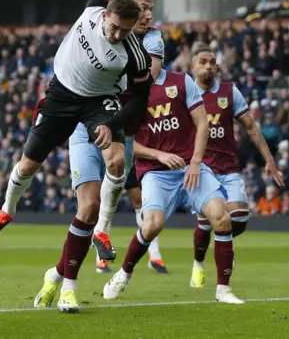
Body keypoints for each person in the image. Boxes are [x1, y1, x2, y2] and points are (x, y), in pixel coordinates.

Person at [0, 0, 152, 241]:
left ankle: (102, 230)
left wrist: (114, 123)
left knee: (117, 161)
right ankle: (6, 210)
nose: (118, 34)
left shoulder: (136, 55)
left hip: (98, 102)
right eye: (114, 27)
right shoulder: (96, 0)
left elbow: (140, 99)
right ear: (105, 15)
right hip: (61, 93)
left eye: (125, 29)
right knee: (28, 164)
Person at [102, 68, 243, 304]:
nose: (150, 64)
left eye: (155, 57)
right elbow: (125, 143)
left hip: (190, 167)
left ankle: (223, 290)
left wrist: (196, 163)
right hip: (156, 172)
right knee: (152, 226)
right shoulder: (126, 90)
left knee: (222, 218)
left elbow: (203, 124)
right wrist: (160, 155)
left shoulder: (181, 81)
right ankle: (123, 273)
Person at [67, 0, 169, 276]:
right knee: (89, 201)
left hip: (123, 123)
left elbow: (146, 78)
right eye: (143, 8)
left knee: (124, 190)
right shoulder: (98, 25)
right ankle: (75, 268)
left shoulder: (152, 39)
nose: (149, 15)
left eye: (151, 9)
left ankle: (112, 239)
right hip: (88, 117)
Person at [189, 47, 284, 288]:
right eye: (203, 62)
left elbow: (251, 127)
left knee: (239, 218)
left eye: (212, 62)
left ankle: (222, 243)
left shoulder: (230, 93)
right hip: (202, 169)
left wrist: (269, 159)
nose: (208, 66)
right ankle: (198, 264)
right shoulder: (185, 94)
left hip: (229, 167)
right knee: (205, 223)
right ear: (193, 67)